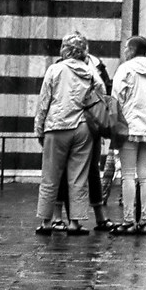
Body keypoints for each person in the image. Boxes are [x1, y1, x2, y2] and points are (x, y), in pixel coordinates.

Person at [32, 32, 103, 235]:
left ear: (65, 49)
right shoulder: (89, 71)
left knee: (50, 175)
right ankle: (75, 223)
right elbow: (101, 91)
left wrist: (39, 128)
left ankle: (46, 222)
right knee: (78, 176)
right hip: (82, 128)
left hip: (56, 127)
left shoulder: (55, 69)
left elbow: (44, 100)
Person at [110, 38, 146, 234]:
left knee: (128, 175)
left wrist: (118, 124)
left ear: (132, 49)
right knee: (145, 174)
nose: (124, 51)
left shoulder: (125, 69)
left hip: (129, 130)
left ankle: (129, 221)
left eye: (126, 47)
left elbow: (116, 99)